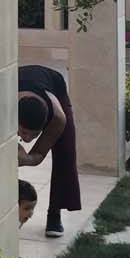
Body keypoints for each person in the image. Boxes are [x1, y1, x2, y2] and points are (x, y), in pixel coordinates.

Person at [17, 64, 81, 238]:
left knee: (66, 153)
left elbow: (38, 155)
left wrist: (25, 159)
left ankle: (54, 213)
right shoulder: (4, 106)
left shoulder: (57, 117)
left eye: (34, 134)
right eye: (23, 133)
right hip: (19, 80)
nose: (28, 139)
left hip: (54, 84)